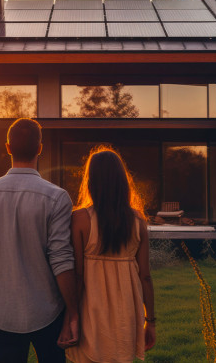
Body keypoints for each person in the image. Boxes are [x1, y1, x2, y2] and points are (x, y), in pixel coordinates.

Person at [0, 118, 79, 363]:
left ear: (7, 148)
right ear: (40, 148)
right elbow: (62, 259)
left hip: (1, 314)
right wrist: (72, 310)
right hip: (49, 312)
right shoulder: (57, 197)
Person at [63, 146, 156, 363]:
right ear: (122, 181)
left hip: (90, 311)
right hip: (126, 312)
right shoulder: (138, 221)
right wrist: (150, 321)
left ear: (91, 181)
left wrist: (70, 316)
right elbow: (145, 277)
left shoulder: (79, 219)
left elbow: (76, 275)